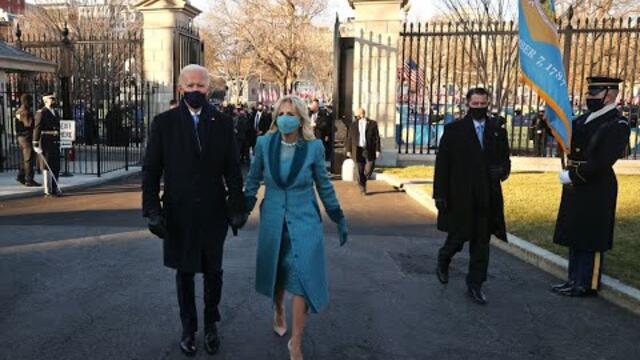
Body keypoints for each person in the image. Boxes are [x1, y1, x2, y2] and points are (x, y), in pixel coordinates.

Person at [142, 64, 247, 356]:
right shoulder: (163, 123)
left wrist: (236, 207)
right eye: (190, 85)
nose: (195, 90)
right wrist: (151, 210)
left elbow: (232, 170)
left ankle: (211, 325)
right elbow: (151, 170)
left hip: (214, 213)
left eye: (201, 86)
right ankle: (189, 329)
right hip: (179, 213)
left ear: (208, 88)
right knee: (184, 273)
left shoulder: (224, 122)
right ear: (180, 88)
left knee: (214, 272)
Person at [244, 95, 348, 360]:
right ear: (275, 117)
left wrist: (337, 216)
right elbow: (253, 180)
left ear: (301, 118)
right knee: (279, 272)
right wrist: (242, 210)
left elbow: (323, 185)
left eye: (291, 114)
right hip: (274, 221)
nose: (285, 118)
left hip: (305, 222)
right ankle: (278, 307)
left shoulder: (313, 148)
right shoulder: (265, 143)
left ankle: (297, 343)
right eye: (281, 113)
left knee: (301, 279)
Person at [552, 76, 630, 297]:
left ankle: (587, 282)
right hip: (576, 181)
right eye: (588, 94)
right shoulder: (586, 118)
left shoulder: (617, 123)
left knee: (592, 235)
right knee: (576, 231)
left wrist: (573, 175)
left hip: (596, 185)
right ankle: (573, 278)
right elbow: (569, 137)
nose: (589, 98)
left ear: (610, 95)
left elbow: (603, 160)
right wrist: (551, 123)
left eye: (594, 94)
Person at [432, 87, 511, 305]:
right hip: (461, 195)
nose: (479, 108)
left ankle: (475, 284)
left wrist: (502, 171)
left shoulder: (497, 130)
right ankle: (444, 258)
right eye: (474, 104)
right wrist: (440, 194)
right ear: (468, 104)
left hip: (487, 196)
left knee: (481, 244)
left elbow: (506, 160)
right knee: (457, 238)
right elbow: (442, 165)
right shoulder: (454, 130)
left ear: (488, 103)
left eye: (482, 104)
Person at [345, 108, 381, 195]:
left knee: (369, 168)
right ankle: (362, 188)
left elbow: (377, 138)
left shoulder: (373, 124)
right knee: (359, 170)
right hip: (357, 149)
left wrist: (377, 150)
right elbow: (349, 138)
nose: (355, 116)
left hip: (368, 149)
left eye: (357, 115)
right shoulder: (353, 125)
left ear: (362, 114)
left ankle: (363, 180)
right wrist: (348, 150)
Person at [33, 93, 61, 197]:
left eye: (54, 99)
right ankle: (47, 190)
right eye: (51, 99)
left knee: (56, 165)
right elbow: (37, 128)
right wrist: (35, 143)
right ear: (45, 100)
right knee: (47, 165)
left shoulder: (55, 112)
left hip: (54, 141)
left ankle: (55, 187)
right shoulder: (41, 112)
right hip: (45, 141)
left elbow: (58, 126)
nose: (53, 101)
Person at [15, 94, 40, 187]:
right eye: (30, 101)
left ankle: (21, 175)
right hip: (27, 137)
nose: (31, 103)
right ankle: (29, 179)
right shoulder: (26, 112)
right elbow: (29, 124)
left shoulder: (18, 111)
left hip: (20, 137)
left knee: (24, 159)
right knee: (29, 159)